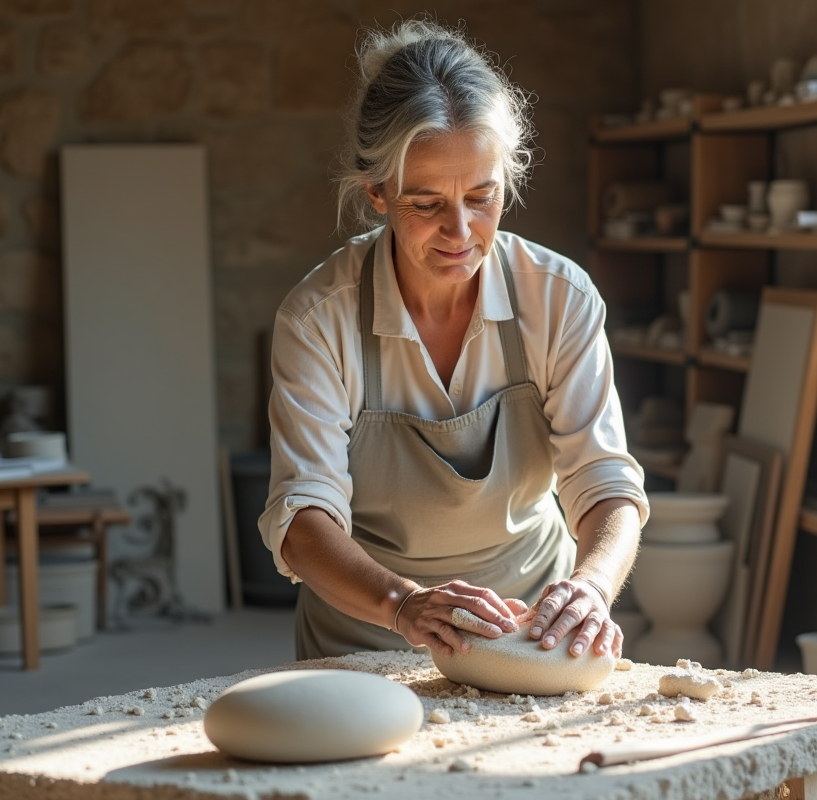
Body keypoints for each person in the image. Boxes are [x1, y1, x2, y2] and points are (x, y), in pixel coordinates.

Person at [259, 18, 648, 662]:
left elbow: (605, 481)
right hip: (365, 632)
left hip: (528, 631)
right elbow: (302, 520)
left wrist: (591, 587)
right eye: (426, 202)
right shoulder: (318, 318)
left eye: (481, 196)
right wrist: (402, 604)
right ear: (377, 193)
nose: (460, 230)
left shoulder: (557, 297)